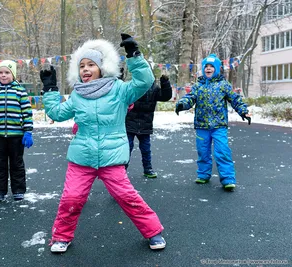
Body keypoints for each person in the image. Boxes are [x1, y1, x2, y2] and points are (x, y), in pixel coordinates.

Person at [40, 34, 166, 253]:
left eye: (91, 64)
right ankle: (61, 236)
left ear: (102, 67)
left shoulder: (119, 90)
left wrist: (135, 57)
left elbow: (144, 82)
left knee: (127, 197)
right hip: (82, 157)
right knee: (72, 198)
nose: (85, 69)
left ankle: (153, 232)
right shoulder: (78, 95)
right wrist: (50, 89)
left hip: (111, 157)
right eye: (81, 66)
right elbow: (57, 113)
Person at [175, 54, 251, 191]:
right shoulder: (198, 86)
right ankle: (203, 174)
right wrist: (182, 104)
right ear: (203, 69)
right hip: (202, 125)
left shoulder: (223, 85)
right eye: (206, 67)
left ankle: (227, 179)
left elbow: (235, 99)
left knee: (222, 151)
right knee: (203, 151)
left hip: (219, 125)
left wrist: (243, 111)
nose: (208, 69)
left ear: (217, 69)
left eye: (211, 67)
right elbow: (190, 98)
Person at [0, 60, 33, 201]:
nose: (3, 75)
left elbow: (27, 112)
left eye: (7, 72)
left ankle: (18, 189)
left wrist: (28, 131)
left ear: (13, 74)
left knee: (17, 163)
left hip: (16, 135)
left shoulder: (20, 92)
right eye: (0, 72)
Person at [125, 75, 172, 178]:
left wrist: (165, 83)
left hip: (145, 123)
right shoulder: (131, 86)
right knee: (127, 147)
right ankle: (123, 169)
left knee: (146, 148)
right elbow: (118, 90)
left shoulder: (154, 89)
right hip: (130, 122)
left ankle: (148, 168)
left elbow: (165, 96)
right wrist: (119, 74)